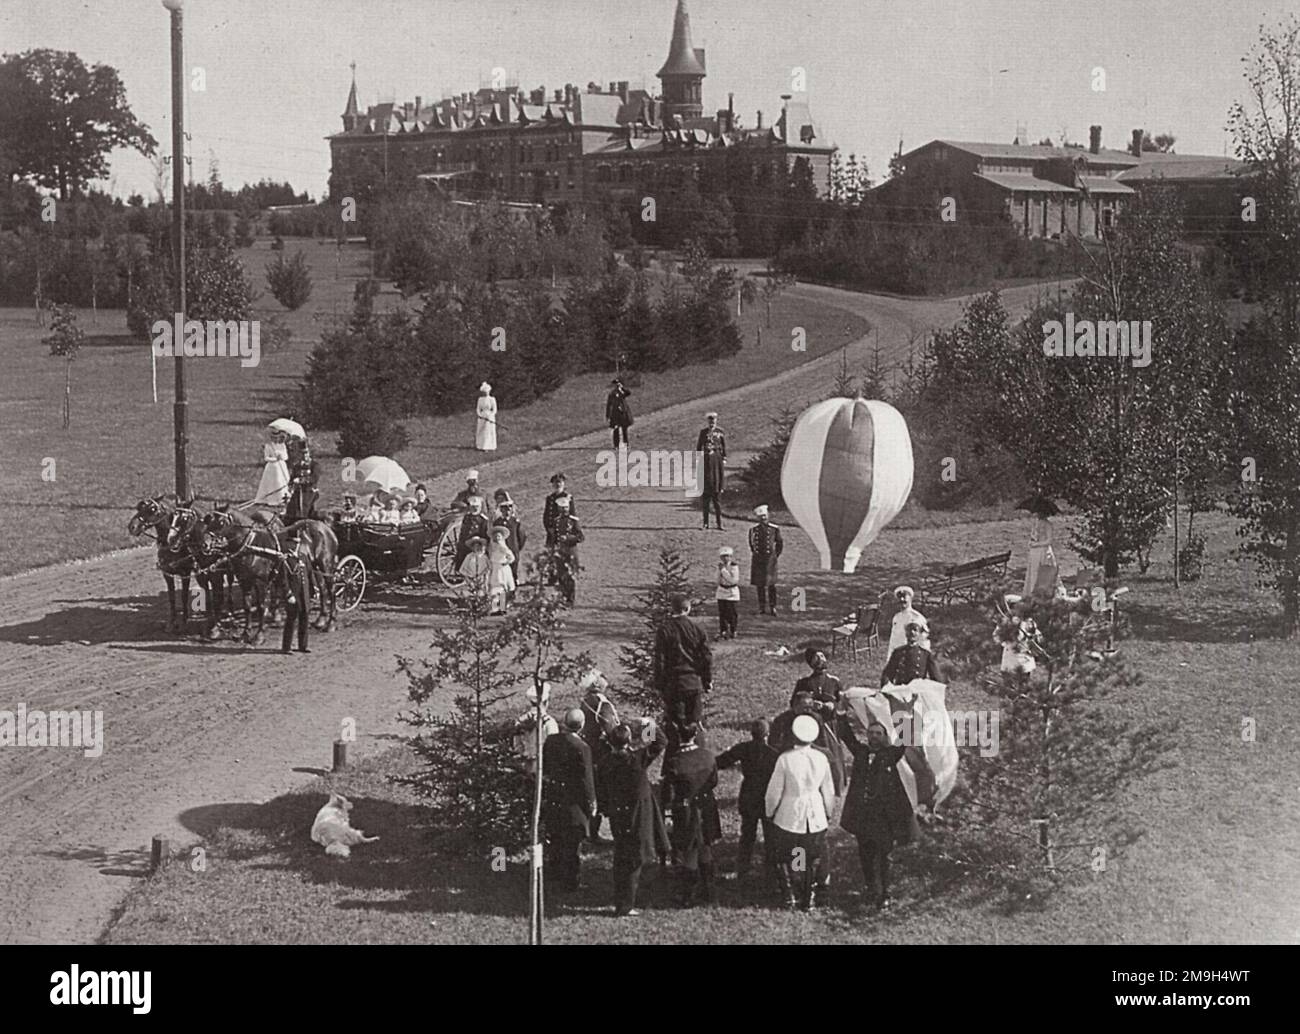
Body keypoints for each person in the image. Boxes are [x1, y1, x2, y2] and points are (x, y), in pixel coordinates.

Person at [837, 718, 928, 910]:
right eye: (871, 733)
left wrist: (908, 715)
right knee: (865, 854)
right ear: (867, 735)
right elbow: (846, 736)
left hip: (883, 817)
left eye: (879, 733)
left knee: (884, 855)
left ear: (884, 736)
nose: (874, 737)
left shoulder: (889, 754)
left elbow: (904, 740)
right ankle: (871, 889)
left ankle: (885, 893)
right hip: (863, 814)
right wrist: (840, 714)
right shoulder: (860, 752)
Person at [596, 721, 669, 916]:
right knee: (634, 857)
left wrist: (606, 809)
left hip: (618, 814)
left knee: (622, 853)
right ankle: (626, 904)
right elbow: (660, 742)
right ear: (629, 741)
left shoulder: (604, 763)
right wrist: (649, 725)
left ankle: (623, 899)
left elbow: (601, 790)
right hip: (638, 813)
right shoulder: (636, 759)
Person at [765, 713, 836, 911]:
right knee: (811, 855)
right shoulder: (821, 758)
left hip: (790, 813)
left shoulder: (785, 760)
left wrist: (770, 811)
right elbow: (828, 790)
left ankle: (791, 895)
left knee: (791, 854)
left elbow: (774, 792)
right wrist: (828, 812)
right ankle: (810, 896)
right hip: (814, 813)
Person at [660, 721, 721, 907]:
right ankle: (709, 890)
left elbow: (667, 793)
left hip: (686, 810)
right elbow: (713, 782)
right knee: (706, 847)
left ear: (679, 736)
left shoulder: (675, 761)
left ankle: (688, 895)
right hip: (706, 806)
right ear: (695, 735)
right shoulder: (708, 756)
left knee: (690, 852)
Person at [542, 708, 597, 894]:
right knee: (572, 842)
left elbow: (546, 766)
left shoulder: (551, 741)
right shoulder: (582, 748)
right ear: (581, 726)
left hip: (555, 795)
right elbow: (586, 779)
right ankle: (570, 880)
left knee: (555, 835)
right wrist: (591, 802)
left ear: (564, 722)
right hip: (574, 800)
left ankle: (554, 871)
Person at [716, 718, 779, 879]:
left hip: (749, 794)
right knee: (770, 835)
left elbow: (721, 761)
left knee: (747, 834)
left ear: (752, 734)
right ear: (767, 734)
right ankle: (771, 870)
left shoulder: (743, 748)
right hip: (766, 796)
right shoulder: (773, 754)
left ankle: (743, 868)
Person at [769, 690, 847, 796]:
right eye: (805, 707)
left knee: (829, 756)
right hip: (789, 751)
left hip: (811, 749)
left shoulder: (815, 718)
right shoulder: (782, 720)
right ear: (795, 706)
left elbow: (822, 740)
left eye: (810, 707)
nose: (808, 710)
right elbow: (774, 743)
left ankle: (835, 789)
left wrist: (815, 749)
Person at [653, 594, 713, 725]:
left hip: (673, 683)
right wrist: (707, 680)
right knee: (694, 722)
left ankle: (677, 744)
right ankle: (696, 744)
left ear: (672, 609)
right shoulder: (698, 628)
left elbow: (660, 660)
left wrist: (659, 685)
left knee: (675, 723)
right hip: (693, 681)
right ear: (688, 609)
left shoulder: (664, 630)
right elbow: (706, 658)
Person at [579, 669, 620, 841]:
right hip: (602, 752)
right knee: (607, 792)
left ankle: (591, 832)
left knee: (593, 790)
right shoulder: (602, 704)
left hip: (589, 750)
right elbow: (609, 726)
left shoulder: (585, 701)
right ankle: (607, 832)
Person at [513, 682, 559, 778]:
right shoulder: (550, 723)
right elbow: (554, 750)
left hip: (526, 767)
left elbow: (517, 746)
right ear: (546, 702)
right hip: (544, 768)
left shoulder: (520, 722)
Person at [881, 622, 941, 688]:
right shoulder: (898, 652)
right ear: (906, 633)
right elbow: (888, 673)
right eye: (909, 629)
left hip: (917, 691)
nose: (912, 632)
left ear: (920, 634)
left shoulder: (926, 654)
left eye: (915, 630)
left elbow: (936, 679)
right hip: (900, 690)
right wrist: (887, 687)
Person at [748, 504, 783, 614]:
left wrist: (775, 555)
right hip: (758, 559)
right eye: (761, 516)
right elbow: (752, 544)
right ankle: (761, 607)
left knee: (771, 584)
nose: (763, 518)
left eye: (764, 516)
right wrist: (756, 554)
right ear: (758, 518)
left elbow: (779, 543)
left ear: (768, 516)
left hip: (770, 560)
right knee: (760, 585)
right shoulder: (753, 530)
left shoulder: (774, 529)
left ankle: (773, 606)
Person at [695, 412, 726, 530]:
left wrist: (721, 486)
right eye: (710, 420)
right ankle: (705, 523)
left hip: (716, 482)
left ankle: (719, 523)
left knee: (717, 503)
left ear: (716, 420)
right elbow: (699, 446)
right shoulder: (703, 433)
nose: (712, 422)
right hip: (707, 482)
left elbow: (724, 447)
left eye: (713, 420)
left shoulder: (720, 432)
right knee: (706, 502)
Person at [793, 648, 842, 720]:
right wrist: (811, 705)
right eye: (817, 658)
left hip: (832, 723)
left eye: (822, 656)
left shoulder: (834, 681)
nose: (821, 660)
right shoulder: (803, 683)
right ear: (811, 663)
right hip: (811, 723)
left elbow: (843, 704)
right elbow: (795, 705)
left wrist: (833, 705)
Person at [551, 498, 584, 605]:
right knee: (561, 575)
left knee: (570, 576)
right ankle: (563, 597)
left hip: (571, 551)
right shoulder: (556, 521)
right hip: (560, 551)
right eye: (562, 508)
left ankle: (570, 599)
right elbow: (554, 538)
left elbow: (580, 537)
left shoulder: (574, 520)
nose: (564, 510)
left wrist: (569, 538)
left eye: (566, 507)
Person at [279, 552, 311, 654]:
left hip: (304, 594)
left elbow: (310, 573)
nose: (295, 546)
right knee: (291, 620)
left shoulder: (303, 557)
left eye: (297, 543)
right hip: (294, 595)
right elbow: (284, 580)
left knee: (304, 619)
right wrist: (288, 594)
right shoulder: (286, 560)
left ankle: (303, 646)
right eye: (293, 543)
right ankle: (286, 647)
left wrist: (314, 588)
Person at [492, 490, 525, 590]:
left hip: (513, 548)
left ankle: (513, 586)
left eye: (509, 509)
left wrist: (517, 547)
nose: (507, 511)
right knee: (504, 572)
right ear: (501, 510)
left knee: (513, 568)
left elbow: (522, 536)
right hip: (502, 551)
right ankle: (504, 593)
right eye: (504, 509)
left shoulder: (515, 522)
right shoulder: (498, 522)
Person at [887, 585, 931, 657]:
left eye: (904, 597)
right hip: (897, 657)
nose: (901, 599)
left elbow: (924, 642)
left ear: (910, 598)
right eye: (899, 597)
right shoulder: (896, 618)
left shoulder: (918, 618)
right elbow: (893, 642)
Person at [284, 437, 320, 523]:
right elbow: (291, 479)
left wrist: (301, 480)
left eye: (306, 453)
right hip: (298, 492)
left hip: (309, 492)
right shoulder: (297, 466)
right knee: (292, 506)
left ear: (309, 453)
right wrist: (291, 486)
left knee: (303, 506)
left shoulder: (314, 465)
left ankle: (304, 522)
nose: (304, 456)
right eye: (302, 453)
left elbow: (313, 479)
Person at [255, 431, 290, 506]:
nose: (275, 439)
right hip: (272, 467)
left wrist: (281, 457)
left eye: (277, 438)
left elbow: (286, 457)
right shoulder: (269, 446)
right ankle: (271, 499)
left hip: (281, 465)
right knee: (274, 482)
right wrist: (275, 459)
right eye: (273, 438)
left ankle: (282, 498)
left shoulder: (282, 445)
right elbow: (266, 458)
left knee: (282, 481)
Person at [455, 496, 491, 568]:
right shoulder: (467, 517)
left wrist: (483, 545)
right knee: (462, 556)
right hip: (466, 543)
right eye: (473, 507)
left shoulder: (483, 519)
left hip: (477, 544)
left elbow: (485, 533)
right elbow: (463, 531)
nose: (475, 509)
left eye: (477, 507)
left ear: (480, 507)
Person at [486, 526, 515, 615]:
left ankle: (502, 608)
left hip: (502, 569)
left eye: (499, 536)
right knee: (494, 588)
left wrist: (506, 562)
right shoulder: (491, 547)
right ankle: (494, 608)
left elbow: (512, 557)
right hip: (494, 568)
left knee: (502, 588)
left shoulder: (503, 547)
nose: (497, 538)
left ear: (502, 537)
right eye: (495, 536)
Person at [543, 473, 576, 547]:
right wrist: (549, 528)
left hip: (565, 532)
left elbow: (572, 515)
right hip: (552, 533)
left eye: (560, 482)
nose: (558, 485)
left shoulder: (568, 498)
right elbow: (546, 515)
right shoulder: (550, 498)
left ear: (563, 484)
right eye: (555, 482)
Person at [715, 546, 740, 639]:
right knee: (722, 613)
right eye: (723, 556)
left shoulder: (734, 566)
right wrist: (719, 571)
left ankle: (733, 630)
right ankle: (723, 630)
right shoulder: (720, 566)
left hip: (732, 592)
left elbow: (732, 580)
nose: (726, 558)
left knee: (732, 613)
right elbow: (717, 579)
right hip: (722, 591)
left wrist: (723, 571)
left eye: (728, 556)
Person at [606, 378, 633, 449]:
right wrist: (608, 415)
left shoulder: (622, 392)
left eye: (617, 384)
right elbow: (609, 405)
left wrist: (622, 388)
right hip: (615, 413)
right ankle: (616, 445)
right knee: (616, 429)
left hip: (623, 412)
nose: (616, 386)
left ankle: (626, 443)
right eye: (615, 384)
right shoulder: (612, 394)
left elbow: (628, 393)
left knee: (624, 429)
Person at [476, 381, 498, 452]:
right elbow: (478, 409)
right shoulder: (480, 399)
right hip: (482, 416)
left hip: (490, 416)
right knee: (482, 431)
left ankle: (490, 446)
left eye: (487, 392)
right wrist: (480, 415)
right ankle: (481, 446)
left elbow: (494, 409)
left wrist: (490, 415)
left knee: (489, 431)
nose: (486, 393)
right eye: (485, 392)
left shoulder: (492, 399)